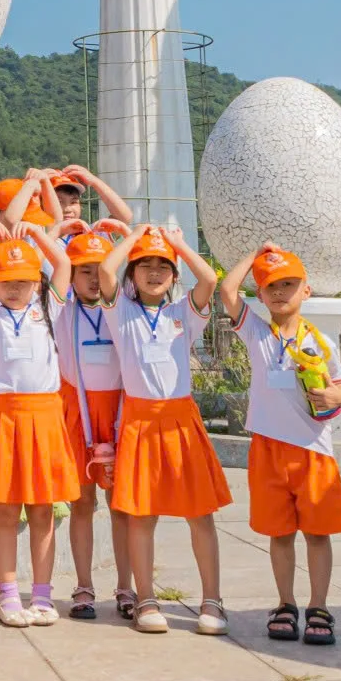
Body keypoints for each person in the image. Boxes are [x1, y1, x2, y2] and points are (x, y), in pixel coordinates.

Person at [98, 224, 231, 635]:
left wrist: (177, 245)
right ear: (132, 273)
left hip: (181, 421)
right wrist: (134, 235)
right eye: (144, 265)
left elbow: (209, 278)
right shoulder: (121, 311)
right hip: (139, 420)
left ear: (174, 276)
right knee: (141, 514)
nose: (154, 272)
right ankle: (146, 598)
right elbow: (105, 270)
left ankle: (212, 600)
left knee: (200, 513)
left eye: (163, 267)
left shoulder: (182, 313)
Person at [223, 242, 341, 647]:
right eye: (270, 286)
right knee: (278, 533)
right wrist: (253, 255)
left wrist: (336, 397)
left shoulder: (321, 342)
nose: (280, 292)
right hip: (267, 447)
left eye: (288, 284)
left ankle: (319, 606)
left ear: (306, 290)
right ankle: (285, 603)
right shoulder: (257, 333)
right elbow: (227, 292)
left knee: (318, 533)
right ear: (260, 295)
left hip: (313, 450)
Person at [0, 215, 77, 629]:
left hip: (45, 415)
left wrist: (35, 234)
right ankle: (9, 591)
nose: (15, 287)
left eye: (24, 280)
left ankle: (43, 595)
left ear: (37, 282)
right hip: (5, 415)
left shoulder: (48, 307)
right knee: (6, 509)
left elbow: (63, 266)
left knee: (44, 510)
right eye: (7, 280)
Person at [49, 179, 135, 620]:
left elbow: (133, 230)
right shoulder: (62, 305)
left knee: (122, 504)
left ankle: (126, 587)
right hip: (75, 410)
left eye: (100, 270)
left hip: (119, 410)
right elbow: (51, 255)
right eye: (84, 271)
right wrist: (67, 234)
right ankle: (83, 586)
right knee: (82, 502)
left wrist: (113, 233)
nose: (92, 278)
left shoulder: (123, 303)